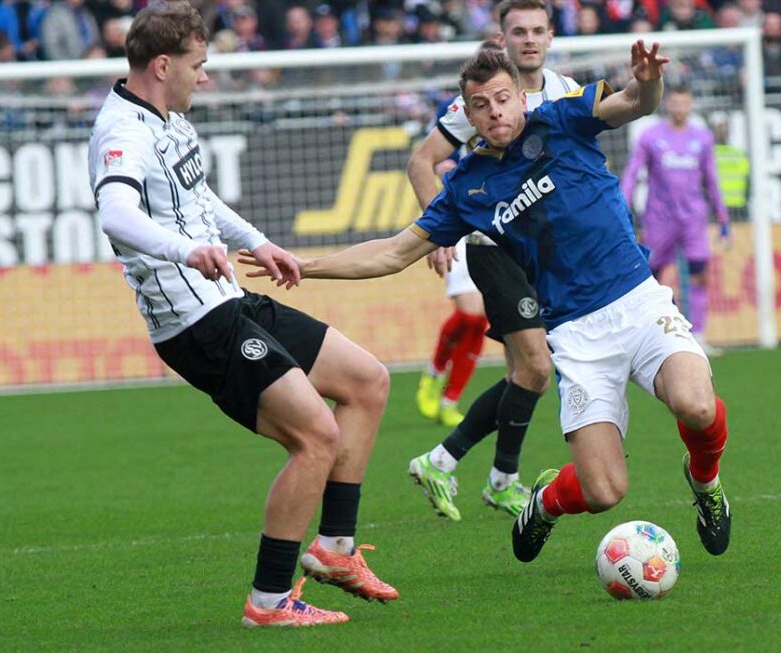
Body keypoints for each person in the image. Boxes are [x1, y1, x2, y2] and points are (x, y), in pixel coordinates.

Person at [240, 42, 733, 565]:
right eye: (481, 104)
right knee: (603, 491)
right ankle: (543, 503)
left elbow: (635, 102)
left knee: (696, 404)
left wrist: (649, 79)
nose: (495, 110)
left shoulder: (563, 118)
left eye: (502, 98)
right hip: (574, 334)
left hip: (637, 300)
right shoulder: (467, 189)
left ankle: (706, 483)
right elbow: (392, 253)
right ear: (468, 114)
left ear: (520, 97)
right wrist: (305, 265)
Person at [87, 1, 397, 629]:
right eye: (199, 66)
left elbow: (199, 196)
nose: (206, 78)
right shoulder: (121, 132)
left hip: (229, 297)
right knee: (316, 438)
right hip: (194, 324)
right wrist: (185, 249)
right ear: (163, 63)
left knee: (367, 382)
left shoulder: (171, 118)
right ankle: (269, 601)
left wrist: (255, 241)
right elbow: (115, 214)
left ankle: (335, 550)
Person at [406, 0, 579, 521]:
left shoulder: (565, 93)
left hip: (538, 252)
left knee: (523, 377)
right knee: (537, 368)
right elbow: (420, 161)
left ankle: (469, 469)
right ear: (501, 40)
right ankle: (480, 472)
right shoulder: (480, 103)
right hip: (492, 246)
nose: (528, 39)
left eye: (537, 31)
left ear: (550, 37)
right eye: (517, 31)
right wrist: (439, 232)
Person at [621, 85, 730, 356]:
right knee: (650, 278)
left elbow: (711, 178)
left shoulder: (702, 138)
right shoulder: (651, 136)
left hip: (693, 218)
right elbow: (633, 172)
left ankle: (699, 334)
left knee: (699, 274)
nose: (680, 108)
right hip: (659, 219)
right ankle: (648, 335)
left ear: (691, 105)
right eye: (675, 103)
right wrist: (623, 207)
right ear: (667, 104)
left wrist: (723, 216)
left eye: (685, 103)